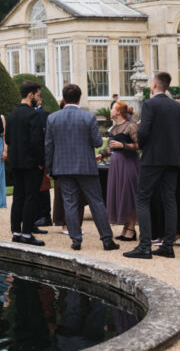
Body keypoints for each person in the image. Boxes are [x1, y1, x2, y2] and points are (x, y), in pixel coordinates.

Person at [124, 72, 180, 260]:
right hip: (172, 158)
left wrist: (143, 141)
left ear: (154, 85)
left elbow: (143, 133)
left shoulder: (150, 104)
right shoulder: (178, 108)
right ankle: (167, 246)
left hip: (153, 158)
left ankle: (145, 246)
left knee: (142, 198)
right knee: (169, 199)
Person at [45, 83, 118, 251]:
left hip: (63, 167)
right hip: (86, 166)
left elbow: (48, 146)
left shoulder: (53, 118)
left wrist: (50, 169)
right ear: (79, 98)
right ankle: (107, 240)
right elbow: (98, 142)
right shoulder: (89, 117)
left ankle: (76, 240)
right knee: (96, 202)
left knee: (70, 203)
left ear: (63, 99)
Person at [6, 81, 47, 245]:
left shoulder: (12, 114)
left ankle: (16, 231)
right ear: (31, 95)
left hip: (16, 162)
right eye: (38, 95)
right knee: (31, 197)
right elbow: (37, 142)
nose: (39, 98)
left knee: (18, 197)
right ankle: (27, 234)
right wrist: (40, 162)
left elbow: (8, 139)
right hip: (31, 163)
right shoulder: (33, 115)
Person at [104, 100, 140, 241]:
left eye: (112, 108)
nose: (110, 110)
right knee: (120, 194)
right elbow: (111, 147)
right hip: (116, 165)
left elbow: (139, 145)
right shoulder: (113, 129)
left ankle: (131, 228)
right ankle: (126, 227)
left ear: (118, 111)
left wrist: (122, 145)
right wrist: (102, 154)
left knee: (128, 193)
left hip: (129, 163)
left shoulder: (130, 126)